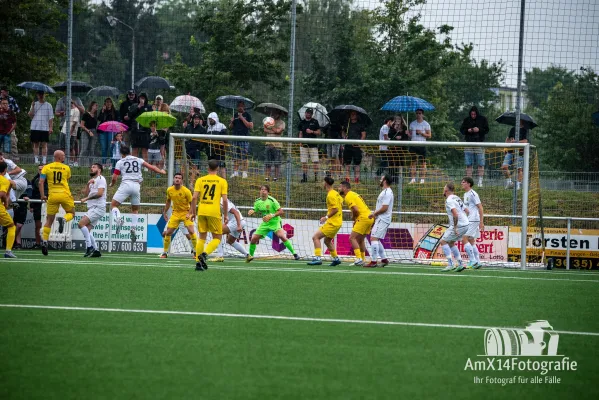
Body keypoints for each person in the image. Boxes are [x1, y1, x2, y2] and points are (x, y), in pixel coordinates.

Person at [110, 145, 166, 242]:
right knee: (135, 209)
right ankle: (133, 229)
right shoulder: (138, 159)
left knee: (113, 205)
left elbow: (114, 177)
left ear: (121, 154)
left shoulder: (120, 162)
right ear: (130, 152)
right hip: (136, 185)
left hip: (126, 185)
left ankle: (118, 219)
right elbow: (151, 167)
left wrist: (112, 184)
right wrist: (161, 171)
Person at [188, 159, 229, 271]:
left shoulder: (200, 180)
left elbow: (194, 197)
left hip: (202, 211)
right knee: (217, 238)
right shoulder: (222, 181)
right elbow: (225, 200)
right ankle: (205, 255)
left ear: (207, 168)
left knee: (201, 237)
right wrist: (225, 215)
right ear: (218, 169)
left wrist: (193, 212)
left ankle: (198, 263)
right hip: (214, 212)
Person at [247, 185, 300, 262]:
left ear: (268, 192)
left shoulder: (272, 201)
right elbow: (255, 208)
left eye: (265, 190)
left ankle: (295, 254)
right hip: (265, 223)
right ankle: (250, 257)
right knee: (253, 239)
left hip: (275, 222)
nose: (263, 191)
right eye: (262, 189)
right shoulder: (257, 201)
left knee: (281, 236)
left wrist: (272, 215)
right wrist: (252, 210)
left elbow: (281, 211)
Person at [39, 150, 75, 256]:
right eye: (63, 155)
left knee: (49, 220)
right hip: (64, 194)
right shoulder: (66, 168)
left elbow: (41, 182)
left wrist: (42, 195)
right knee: (72, 213)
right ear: (59, 157)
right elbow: (67, 180)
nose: (64, 156)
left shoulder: (46, 167)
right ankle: (64, 219)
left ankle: (45, 241)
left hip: (52, 195)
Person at [307, 177, 343, 266]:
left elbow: (335, 209)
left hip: (333, 222)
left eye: (323, 182)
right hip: (338, 222)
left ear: (326, 183)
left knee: (315, 237)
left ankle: (318, 258)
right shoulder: (336, 193)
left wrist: (326, 217)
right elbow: (341, 203)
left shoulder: (330, 195)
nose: (322, 184)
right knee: (327, 241)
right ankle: (336, 259)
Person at [160, 172, 197, 259]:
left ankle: (196, 252)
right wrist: (164, 212)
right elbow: (168, 201)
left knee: (191, 232)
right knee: (168, 233)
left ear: (181, 180)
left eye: (179, 178)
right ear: (173, 179)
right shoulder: (169, 190)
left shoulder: (186, 191)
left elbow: (192, 203)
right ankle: (165, 253)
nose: (177, 179)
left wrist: (190, 213)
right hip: (175, 213)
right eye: (176, 177)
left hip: (185, 213)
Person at [338, 180, 373, 266]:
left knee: (352, 238)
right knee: (360, 240)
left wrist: (354, 218)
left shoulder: (348, 196)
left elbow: (356, 210)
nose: (339, 189)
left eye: (340, 187)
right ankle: (363, 258)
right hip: (369, 217)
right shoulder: (354, 194)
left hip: (363, 218)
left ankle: (358, 258)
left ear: (345, 188)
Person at [439, 182, 469, 272]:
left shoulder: (449, 200)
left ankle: (450, 264)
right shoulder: (456, 197)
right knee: (451, 242)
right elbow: (467, 210)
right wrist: (464, 220)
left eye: (444, 188)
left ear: (446, 190)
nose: (443, 190)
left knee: (443, 241)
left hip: (459, 225)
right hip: (466, 224)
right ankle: (460, 264)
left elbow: (455, 214)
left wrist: (455, 227)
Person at [79, 163, 107, 258]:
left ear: (99, 170)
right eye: (91, 167)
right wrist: (88, 184)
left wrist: (86, 199)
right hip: (93, 207)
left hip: (98, 207)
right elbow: (86, 193)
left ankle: (89, 247)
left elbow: (100, 194)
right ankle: (96, 250)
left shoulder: (101, 179)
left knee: (81, 224)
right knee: (87, 229)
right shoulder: (93, 180)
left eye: (94, 167)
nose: (91, 168)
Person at [366, 174, 394, 267]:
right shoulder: (385, 191)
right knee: (376, 238)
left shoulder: (387, 193)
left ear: (385, 181)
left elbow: (384, 208)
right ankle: (384, 259)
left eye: (381, 179)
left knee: (373, 238)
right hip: (381, 218)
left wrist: (374, 214)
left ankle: (374, 261)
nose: (380, 181)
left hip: (383, 219)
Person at [211, 197, 249, 262]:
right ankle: (247, 255)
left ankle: (219, 255)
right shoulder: (221, 200)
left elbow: (236, 212)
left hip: (236, 222)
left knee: (217, 232)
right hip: (240, 221)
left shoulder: (220, 200)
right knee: (230, 241)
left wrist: (239, 225)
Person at [460, 106, 489, 187]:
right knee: (468, 163)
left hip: (479, 143)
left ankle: (480, 182)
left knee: (481, 163)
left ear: (477, 113)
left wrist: (479, 129)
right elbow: (462, 130)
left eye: (474, 114)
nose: (473, 115)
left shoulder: (483, 119)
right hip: (468, 143)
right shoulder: (466, 120)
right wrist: (468, 130)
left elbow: (487, 130)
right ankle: (469, 181)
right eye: (472, 114)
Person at [461, 176, 483, 269]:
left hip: (473, 219)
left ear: (468, 184)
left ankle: (472, 260)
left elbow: (480, 207)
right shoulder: (465, 194)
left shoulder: (473, 194)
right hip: (469, 219)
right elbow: (467, 209)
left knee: (464, 238)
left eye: (463, 182)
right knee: (471, 240)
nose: (461, 183)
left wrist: (481, 221)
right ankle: (477, 262)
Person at [501, 120, 528, 190]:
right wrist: (505, 148)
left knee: (519, 169)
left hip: (520, 152)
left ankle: (518, 185)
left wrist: (517, 142)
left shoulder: (525, 130)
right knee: (504, 167)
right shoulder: (513, 129)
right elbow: (507, 139)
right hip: (510, 151)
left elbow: (525, 141)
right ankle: (509, 182)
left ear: (522, 121)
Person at [28, 91, 54, 165]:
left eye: (42, 94)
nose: (41, 95)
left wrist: (51, 127)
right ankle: (36, 160)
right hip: (35, 126)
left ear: (44, 95)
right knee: (36, 144)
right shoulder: (34, 104)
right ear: (37, 95)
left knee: (44, 144)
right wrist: (32, 106)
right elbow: (30, 115)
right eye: (39, 94)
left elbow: (51, 118)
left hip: (45, 127)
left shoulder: (49, 105)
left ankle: (44, 161)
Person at [229, 101, 253, 178]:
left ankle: (244, 172)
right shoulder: (235, 115)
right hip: (235, 138)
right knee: (235, 156)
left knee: (244, 156)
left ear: (244, 106)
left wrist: (242, 118)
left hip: (244, 138)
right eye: (238, 106)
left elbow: (250, 126)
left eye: (241, 106)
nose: (240, 107)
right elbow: (231, 127)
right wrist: (231, 122)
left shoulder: (247, 115)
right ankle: (235, 172)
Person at [407, 108, 432, 184]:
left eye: (420, 113)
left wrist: (421, 133)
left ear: (422, 114)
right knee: (413, 162)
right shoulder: (412, 123)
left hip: (422, 145)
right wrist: (408, 133)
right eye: (417, 113)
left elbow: (429, 135)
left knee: (423, 163)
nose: (418, 115)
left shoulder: (426, 124)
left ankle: (422, 179)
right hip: (413, 144)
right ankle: (413, 179)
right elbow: (410, 136)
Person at [343, 111, 367, 183]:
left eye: (354, 114)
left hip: (356, 146)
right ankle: (347, 179)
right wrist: (344, 137)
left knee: (357, 163)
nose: (352, 115)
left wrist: (360, 143)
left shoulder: (360, 125)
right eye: (351, 114)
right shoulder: (347, 124)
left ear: (356, 115)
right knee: (347, 163)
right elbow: (343, 132)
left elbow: (363, 134)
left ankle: (356, 179)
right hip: (348, 146)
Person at [298, 108, 321, 183]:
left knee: (315, 161)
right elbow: (300, 133)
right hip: (304, 145)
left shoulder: (315, 121)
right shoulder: (302, 122)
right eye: (307, 113)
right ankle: (304, 177)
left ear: (312, 114)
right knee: (304, 162)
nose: (308, 114)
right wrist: (300, 141)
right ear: (305, 113)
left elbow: (319, 132)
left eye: (310, 113)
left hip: (313, 145)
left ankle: (316, 177)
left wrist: (312, 131)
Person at [128, 93, 152, 161]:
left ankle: (146, 167)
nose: (142, 99)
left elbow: (151, 118)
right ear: (138, 98)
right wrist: (138, 107)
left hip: (145, 131)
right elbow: (130, 115)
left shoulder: (149, 107)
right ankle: (133, 164)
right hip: (135, 130)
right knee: (135, 148)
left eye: (143, 98)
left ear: (146, 99)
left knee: (145, 149)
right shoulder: (134, 105)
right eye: (141, 98)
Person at [0, 161, 16, 258]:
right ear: (5, 170)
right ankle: (8, 251)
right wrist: (6, 202)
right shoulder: (4, 180)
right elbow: (2, 194)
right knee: (11, 226)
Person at [97, 97, 120, 167]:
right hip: (102, 131)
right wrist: (102, 111)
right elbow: (99, 119)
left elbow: (118, 121)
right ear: (105, 103)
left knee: (111, 147)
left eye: (110, 102)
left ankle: (112, 164)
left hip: (111, 131)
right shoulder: (103, 110)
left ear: (112, 103)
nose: (108, 103)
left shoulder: (115, 111)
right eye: (107, 102)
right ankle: (103, 163)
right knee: (104, 148)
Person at [264, 110, 285, 182]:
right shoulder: (267, 120)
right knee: (267, 162)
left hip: (277, 145)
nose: (273, 114)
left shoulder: (282, 122)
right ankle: (267, 177)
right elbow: (265, 130)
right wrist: (274, 130)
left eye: (275, 113)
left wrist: (271, 127)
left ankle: (275, 178)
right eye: (273, 113)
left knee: (277, 163)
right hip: (268, 144)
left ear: (279, 114)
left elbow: (278, 131)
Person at [206, 112, 228, 179]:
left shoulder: (222, 126)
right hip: (210, 152)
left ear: (215, 119)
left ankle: (224, 182)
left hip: (220, 151)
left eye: (211, 119)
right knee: (212, 167)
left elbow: (225, 138)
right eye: (209, 119)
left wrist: (220, 146)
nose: (210, 120)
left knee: (221, 166)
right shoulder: (208, 128)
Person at [1, 86, 20, 160]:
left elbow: (18, 109)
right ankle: (2, 159)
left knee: (13, 141)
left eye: (8, 91)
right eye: (6, 91)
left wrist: (11, 113)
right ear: (2, 91)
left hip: (9, 124)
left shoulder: (11, 99)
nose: (7, 92)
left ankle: (15, 158)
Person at [12, 179, 32, 249]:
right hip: (12, 202)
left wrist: (28, 196)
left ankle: (11, 238)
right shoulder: (10, 179)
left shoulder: (26, 180)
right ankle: (17, 243)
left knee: (19, 225)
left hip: (22, 203)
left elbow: (30, 190)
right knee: (13, 224)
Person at [29, 164, 46, 249]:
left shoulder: (50, 178)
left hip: (47, 204)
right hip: (37, 204)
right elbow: (32, 193)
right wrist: (31, 205)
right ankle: (38, 243)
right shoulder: (34, 180)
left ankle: (45, 243)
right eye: (39, 169)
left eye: (42, 169)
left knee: (47, 225)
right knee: (38, 225)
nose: (41, 171)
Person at [60, 101, 80, 166]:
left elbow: (74, 123)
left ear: (72, 103)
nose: (66, 106)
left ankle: (71, 162)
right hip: (63, 131)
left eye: (67, 104)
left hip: (71, 133)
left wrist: (70, 134)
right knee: (62, 147)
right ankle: (63, 161)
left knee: (71, 148)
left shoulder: (76, 111)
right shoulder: (69, 110)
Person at [80, 101, 99, 166]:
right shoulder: (86, 114)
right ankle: (81, 165)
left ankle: (91, 165)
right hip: (86, 131)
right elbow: (82, 125)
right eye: (96, 105)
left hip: (94, 132)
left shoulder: (96, 115)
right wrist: (88, 131)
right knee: (84, 148)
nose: (97, 107)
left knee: (92, 149)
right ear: (92, 106)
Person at [152, 95, 170, 163]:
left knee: (162, 146)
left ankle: (163, 162)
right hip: (155, 129)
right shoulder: (153, 106)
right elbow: (152, 118)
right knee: (154, 146)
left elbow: (166, 116)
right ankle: (155, 162)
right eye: (157, 99)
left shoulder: (165, 106)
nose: (158, 101)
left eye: (160, 99)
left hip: (163, 129)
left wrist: (166, 129)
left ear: (162, 100)